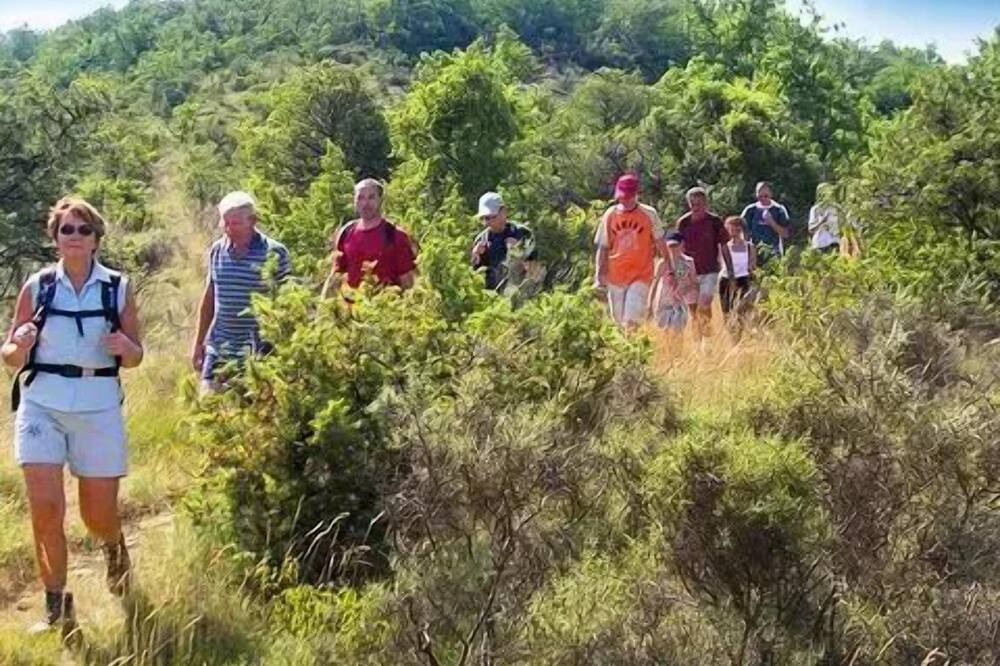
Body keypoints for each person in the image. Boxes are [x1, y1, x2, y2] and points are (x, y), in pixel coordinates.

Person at [2, 198, 144, 635]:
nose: (76, 237)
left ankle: (114, 546)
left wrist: (126, 349)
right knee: (46, 510)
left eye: (84, 230)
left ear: (97, 239)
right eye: (67, 230)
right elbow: (9, 355)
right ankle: (57, 605)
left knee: (96, 514)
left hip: (98, 406)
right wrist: (19, 344)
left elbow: (137, 355)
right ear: (55, 238)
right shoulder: (38, 286)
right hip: (42, 405)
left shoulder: (116, 288)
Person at [191, 191, 291, 394]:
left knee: (255, 416)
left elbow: (287, 303)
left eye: (235, 223)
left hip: (260, 351)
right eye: (224, 223)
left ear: (252, 221)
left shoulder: (274, 252)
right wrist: (198, 343)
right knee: (208, 408)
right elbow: (210, 297)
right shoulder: (217, 251)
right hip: (220, 348)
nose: (228, 229)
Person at [594, 173, 667, 331]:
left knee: (631, 323)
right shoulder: (610, 215)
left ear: (636, 195)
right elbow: (603, 246)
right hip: (615, 276)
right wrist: (599, 276)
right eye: (622, 196)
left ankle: (636, 352)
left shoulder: (649, 214)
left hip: (641, 275)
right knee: (618, 324)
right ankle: (624, 355)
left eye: (629, 196)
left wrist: (670, 266)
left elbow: (660, 241)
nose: (625, 200)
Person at [322, 179, 417, 297]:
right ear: (355, 202)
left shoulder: (395, 235)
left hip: (386, 308)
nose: (365, 203)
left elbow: (409, 284)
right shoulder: (346, 233)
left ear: (381, 200)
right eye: (360, 198)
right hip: (352, 309)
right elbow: (336, 278)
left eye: (371, 197)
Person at [675, 187, 734, 337]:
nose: (696, 207)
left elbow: (724, 246)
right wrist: (680, 275)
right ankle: (699, 340)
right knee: (694, 310)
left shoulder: (714, 222)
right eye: (692, 204)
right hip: (690, 272)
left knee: (705, 302)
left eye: (699, 204)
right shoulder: (683, 223)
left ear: (706, 204)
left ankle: (707, 335)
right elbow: (678, 251)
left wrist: (730, 269)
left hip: (710, 270)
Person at [470, 192, 537, 291]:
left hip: (521, 295)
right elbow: (476, 278)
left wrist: (517, 252)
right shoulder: (481, 240)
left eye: (492, 216)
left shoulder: (522, 233)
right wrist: (476, 258)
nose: (489, 222)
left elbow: (535, 272)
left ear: (504, 211)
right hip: (493, 300)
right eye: (485, 218)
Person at [649, 231, 698, 333]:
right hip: (663, 303)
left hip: (679, 303)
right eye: (670, 246)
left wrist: (685, 289)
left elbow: (694, 283)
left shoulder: (687, 262)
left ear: (682, 245)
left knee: (678, 333)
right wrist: (649, 304)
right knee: (664, 332)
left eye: (675, 245)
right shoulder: (662, 263)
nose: (673, 249)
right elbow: (654, 284)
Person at [718, 216, 757, 330]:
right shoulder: (724, 247)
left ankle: (743, 335)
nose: (734, 232)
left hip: (744, 280)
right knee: (727, 311)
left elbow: (753, 265)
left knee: (742, 311)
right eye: (731, 229)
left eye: (737, 229)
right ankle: (732, 339)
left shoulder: (750, 247)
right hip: (727, 280)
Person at [740, 181, 791, 262]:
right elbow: (742, 232)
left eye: (766, 196)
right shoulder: (750, 210)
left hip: (774, 253)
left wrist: (772, 223)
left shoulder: (779, 209)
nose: (763, 198)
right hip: (754, 254)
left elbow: (786, 234)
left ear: (771, 194)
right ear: (756, 194)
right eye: (760, 196)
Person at [808, 183, 842, 253]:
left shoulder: (837, 208)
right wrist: (823, 221)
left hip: (836, 244)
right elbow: (811, 229)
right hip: (821, 245)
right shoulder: (816, 209)